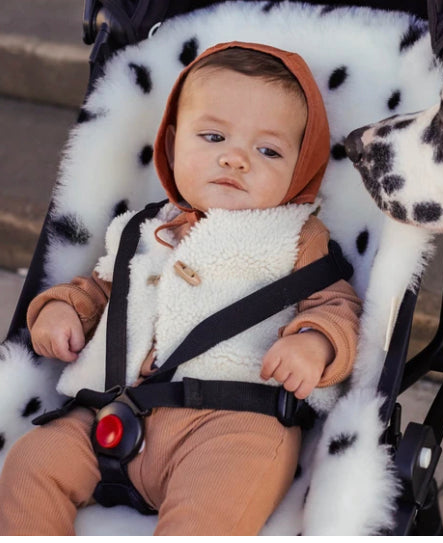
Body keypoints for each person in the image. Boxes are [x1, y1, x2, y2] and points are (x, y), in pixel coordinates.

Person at [0, 42, 361, 535]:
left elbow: (335, 303)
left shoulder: (295, 236)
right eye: (213, 136)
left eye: (269, 150)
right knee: (29, 464)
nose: (235, 160)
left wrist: (315, 342)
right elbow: (103, 288)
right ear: (171, 146)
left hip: (231, 425)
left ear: (301, 168)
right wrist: (62, 309)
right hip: (112, 409)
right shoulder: (140, 229)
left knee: (208, 515)